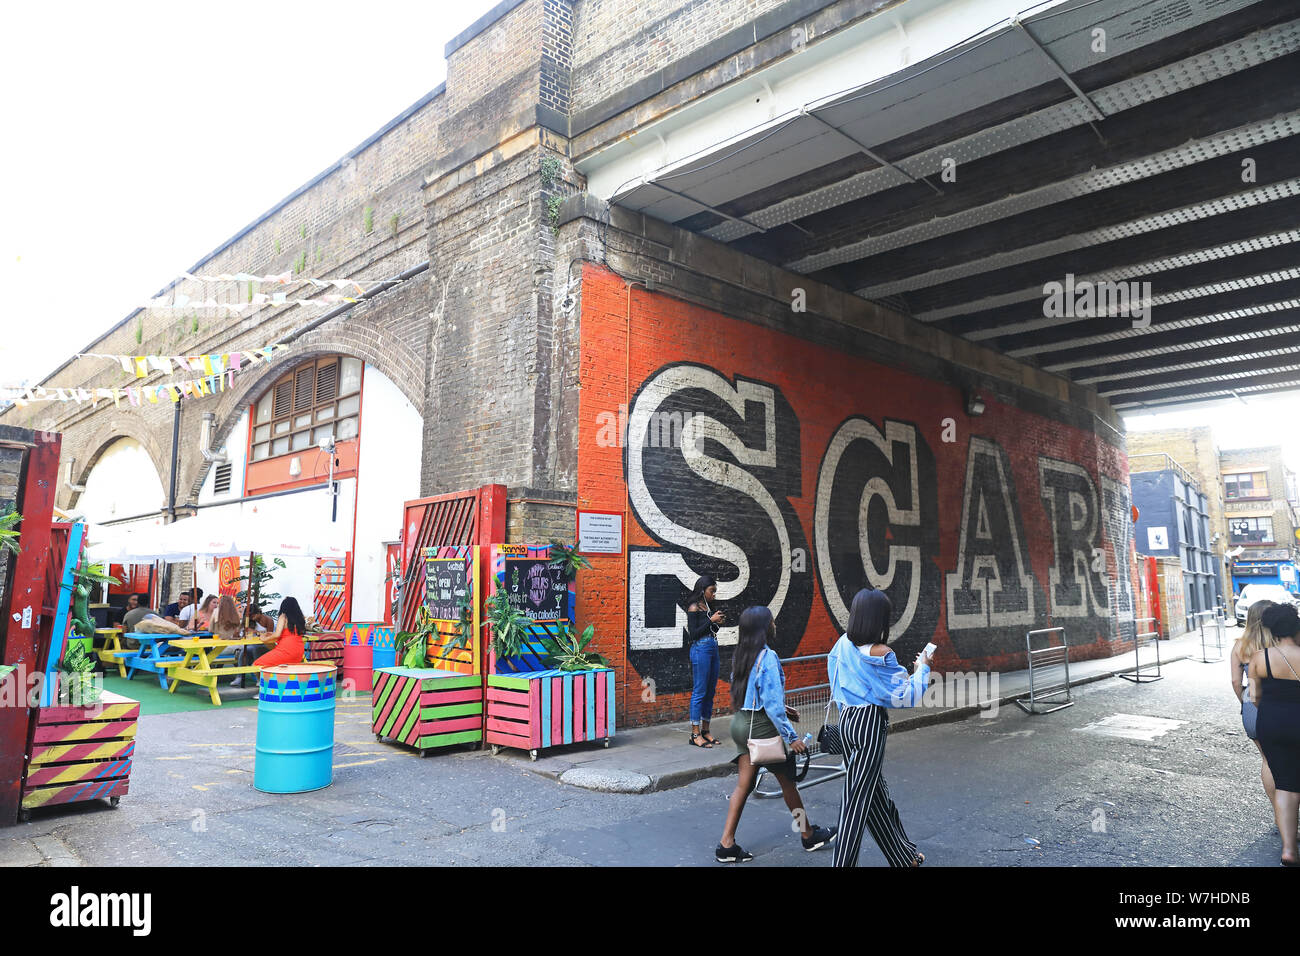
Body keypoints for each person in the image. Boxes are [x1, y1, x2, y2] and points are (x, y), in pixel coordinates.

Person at [716, 606, 837, 863]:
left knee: (743, 785)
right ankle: (808, 835)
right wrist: (791, 737)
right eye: (771, 621)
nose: (775, 624)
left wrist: (782, 708)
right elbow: (770, 704)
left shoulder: (742, 655)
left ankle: (726, 844)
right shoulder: (767, 657)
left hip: (741, 724)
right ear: (763, 628)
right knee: (788, 784)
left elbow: (754, 695)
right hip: (761, 728)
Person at [827, 588, 931, 868]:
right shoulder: (880, 653)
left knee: (875, 797)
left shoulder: (841, 645)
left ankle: (903, 857)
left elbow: (835, 681)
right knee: (856, 803)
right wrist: (922, 669)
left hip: (847, 720)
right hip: (869, 724)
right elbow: (906, 696)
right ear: (879, 620)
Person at [1250, 603, 1300, 866]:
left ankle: (1289, 849)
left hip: (1272, 724)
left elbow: (1254, 697)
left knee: (1286, 785)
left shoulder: (1260, 658)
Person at [1230, 599, 1276, 810]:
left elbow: (1235, 682)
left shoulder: (1240, 646)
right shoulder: (1283, 642)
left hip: (1252, 707)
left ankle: (1279, 814)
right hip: (1283, 704)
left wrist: (1246, 702)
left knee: (1268, 760)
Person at [684, 575, 723, 747]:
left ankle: (706, 731)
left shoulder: (708, 607)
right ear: (702, 590)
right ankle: (695, 734)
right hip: (700, 649)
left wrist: (717, 622)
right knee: (700, 690)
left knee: (710, 690)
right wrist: (710, 620)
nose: (714, 594)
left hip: (712, 646)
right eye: (711, 591)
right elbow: (693, 634)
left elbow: (710, 629)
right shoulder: (693, 607)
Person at [252, 597, 307, 669]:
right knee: (285, 669)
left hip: (286, 650)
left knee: (256, 665)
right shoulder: (301, 617)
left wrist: (264, 639)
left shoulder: (283, 616)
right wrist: (272, 634)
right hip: (299, 651)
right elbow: (290, 633)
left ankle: (262, 681)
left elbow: (277, 634)